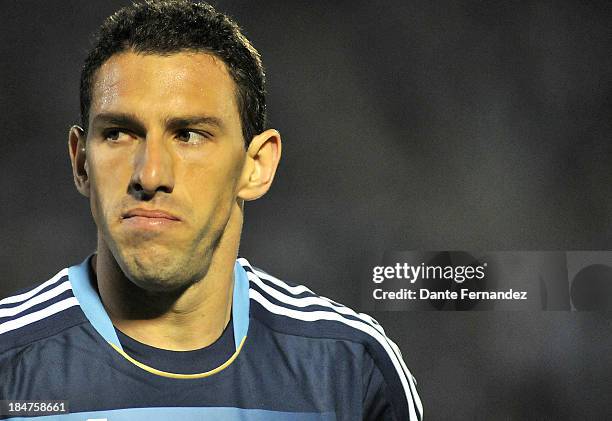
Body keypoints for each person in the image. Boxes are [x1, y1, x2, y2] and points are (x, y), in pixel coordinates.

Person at [0, 1, 422, 420]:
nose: (149, 175)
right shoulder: (8, 361)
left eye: (188, 135)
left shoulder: (350, 368)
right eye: (118, 134)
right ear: (81, 163)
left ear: (255, 166)